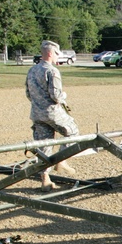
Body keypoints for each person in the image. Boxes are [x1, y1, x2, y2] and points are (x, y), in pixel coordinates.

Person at [26, 40, 79, 192]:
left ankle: (45, 179)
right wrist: (64, 96)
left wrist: (38, 103)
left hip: (37, 113)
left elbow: (28, 93)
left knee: (43, 146)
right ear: (50, 53)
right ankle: (61, 161)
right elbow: (55, 95)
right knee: (73, 132)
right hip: (52, 112)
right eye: (56, 53)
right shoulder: (52, 71)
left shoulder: (32, 70)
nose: (58, 56)